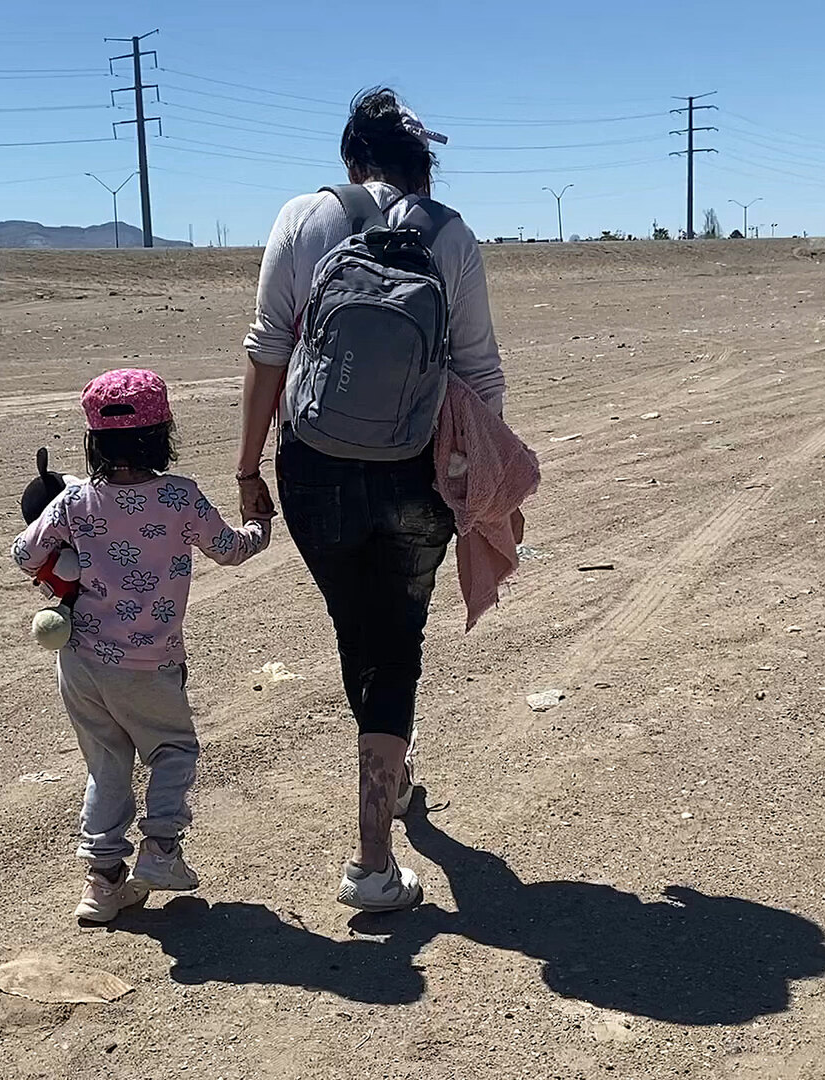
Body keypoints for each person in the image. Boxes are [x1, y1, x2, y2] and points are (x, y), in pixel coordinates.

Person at [234, 88, 507, 912]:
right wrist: (483, 483)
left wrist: (247, 470)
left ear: (351, 159)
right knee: (396, 639)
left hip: (313, 466)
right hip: (417, 469)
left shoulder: (301, 216)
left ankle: (390, 778)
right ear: (422, 170)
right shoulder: (450, 234)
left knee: (358, 629)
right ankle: (371, 859)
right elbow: (479, 370)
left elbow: (267, 350)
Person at [12, 368, 272, 923]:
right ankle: (160, 851)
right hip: (151, 662)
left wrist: (60, 555)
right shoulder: (180, 497)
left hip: (81, 660)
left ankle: (102, 884)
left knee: (106, 763)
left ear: (93, 441)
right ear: (162, 435)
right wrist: (259, 524)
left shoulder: (74, 502)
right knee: (173, 750)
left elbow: (24, 555)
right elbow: (230, 550)